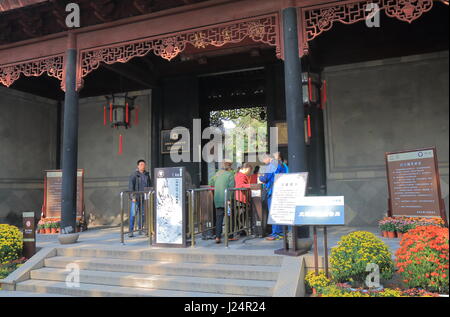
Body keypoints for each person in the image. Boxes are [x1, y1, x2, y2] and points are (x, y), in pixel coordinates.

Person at [259, 153, 288, 241]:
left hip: (273, 191)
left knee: (274, 212)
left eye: (264, 160)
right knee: (279, 212)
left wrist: (260, 177)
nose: (264, 162)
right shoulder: (282, 165)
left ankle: (276, 233)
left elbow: (265, 178)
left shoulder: (272, 165)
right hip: (281, 190)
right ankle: (281, 232)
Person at [208, 160, 235, 244]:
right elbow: (231, 188)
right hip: (227, 199)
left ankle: (218, 237)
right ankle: (229, 236)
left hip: (217, 199)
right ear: (230, 167)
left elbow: (210, 182)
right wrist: (230, 199)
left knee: (219, 218)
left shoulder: (217, 174)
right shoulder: (230, 174)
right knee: (229, 217)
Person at [128, 159, 152, 238]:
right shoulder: (134, 175)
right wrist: (133, 197)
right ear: (138, 166)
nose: (143, 166)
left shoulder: (147, 175)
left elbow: (149, 186)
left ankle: (140, 229)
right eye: (141, 164)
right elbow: (131, 187)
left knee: (143, 215)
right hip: (136, 198)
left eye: (144, 164)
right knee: (133, 214)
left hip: (144, 198)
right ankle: (131, 231)